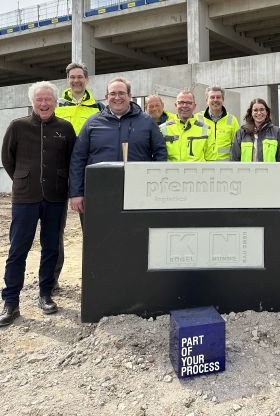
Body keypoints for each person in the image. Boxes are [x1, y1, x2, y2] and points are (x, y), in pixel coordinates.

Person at [0, 81, 76, 327]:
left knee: (51, 247)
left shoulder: (65, 128)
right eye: (39, 100)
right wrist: (24, 179)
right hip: (25, 197)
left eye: (48, 99)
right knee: (18, 249)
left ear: (55, 102)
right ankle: (11, 301)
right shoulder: (17, 126)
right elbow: (8, 159)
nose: (44, 104)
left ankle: (45, 294)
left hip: (55, 196)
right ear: (33, 102)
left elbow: (72, 160)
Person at [69, 77, 167, 215]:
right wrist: (76, 193)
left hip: (137, 192)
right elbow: (78, 158)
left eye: (121, 93)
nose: (117, 97)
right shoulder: (92, 123)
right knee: (98, 234)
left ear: (129, 96)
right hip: (98, 192)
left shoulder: (147, 122)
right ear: (106, 97)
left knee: (134, 233)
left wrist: (156, 186)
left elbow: (160, 154)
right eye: (113, 94)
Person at [53, 62, 104, 288]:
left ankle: (95, 279)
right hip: (57, 173)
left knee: (92, 229)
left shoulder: (99, 108)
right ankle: (51, 280)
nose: (76, 81)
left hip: (86, 175)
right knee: (54, 231)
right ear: (67, 80)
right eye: (72, 77)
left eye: (80, 77)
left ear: (87, 80)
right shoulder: (55, 104)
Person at [159, 90, 217, 161]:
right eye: (181, 102)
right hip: (173, 171)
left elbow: (211, 160)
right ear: (175, 105)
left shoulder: (206, 130)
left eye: (189, 103)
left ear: (194, 106)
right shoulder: (162, 129)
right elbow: (159, 158)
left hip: (197, 172)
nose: (184, 106)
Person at [201, 86, 239, 161]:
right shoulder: (197, 119)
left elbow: (237, 146)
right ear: (206, 100)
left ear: (223, 100)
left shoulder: (232, 120)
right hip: (204, 167)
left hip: (225, 167)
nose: (215, 100)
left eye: (218, 97)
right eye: (212, 97)